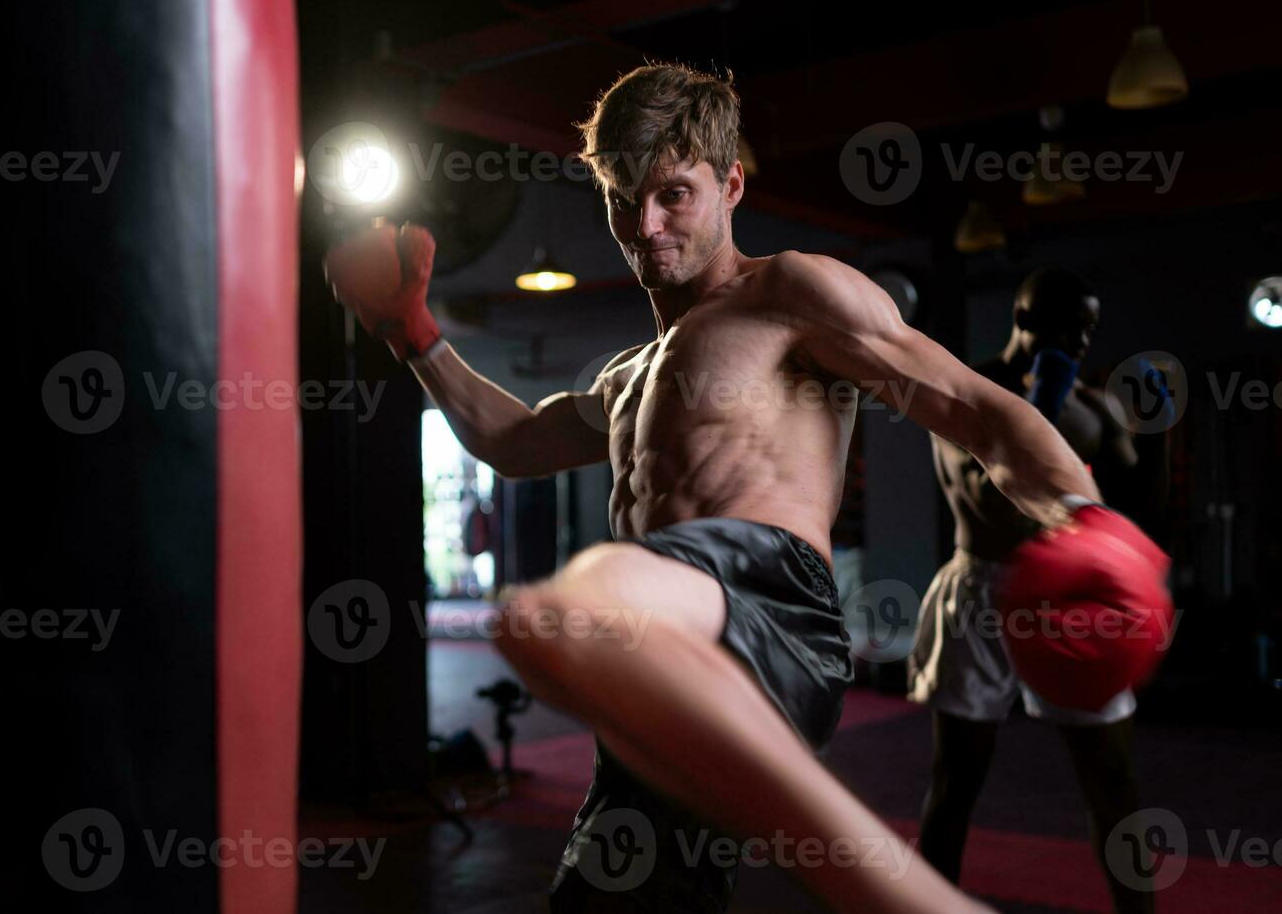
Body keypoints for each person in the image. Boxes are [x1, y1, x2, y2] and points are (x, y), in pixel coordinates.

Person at [324, 63, 1165, 913]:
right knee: (611, 896)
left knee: (569, 610)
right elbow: (512, 441)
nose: (644, 226)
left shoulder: (790, 293)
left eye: (673, 195)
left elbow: (979, 412)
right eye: (621, 200)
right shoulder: (626, 376)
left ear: (730, 184)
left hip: (769, 605)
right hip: (663, 641)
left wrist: (1086, 519)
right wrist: (414, 335)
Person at [909, 268, 1166, 913]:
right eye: (1065, 327)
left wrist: (1152, 435)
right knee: (957, 780)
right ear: (1022, 320)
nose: (1079, 342)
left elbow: (1135, 506)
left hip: (1069, 598)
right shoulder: (967, 390)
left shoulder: (1094, 403)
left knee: (1111, 777)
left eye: (1089, 329)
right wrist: (1039, 411)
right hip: (983, 593)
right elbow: (977, 494)